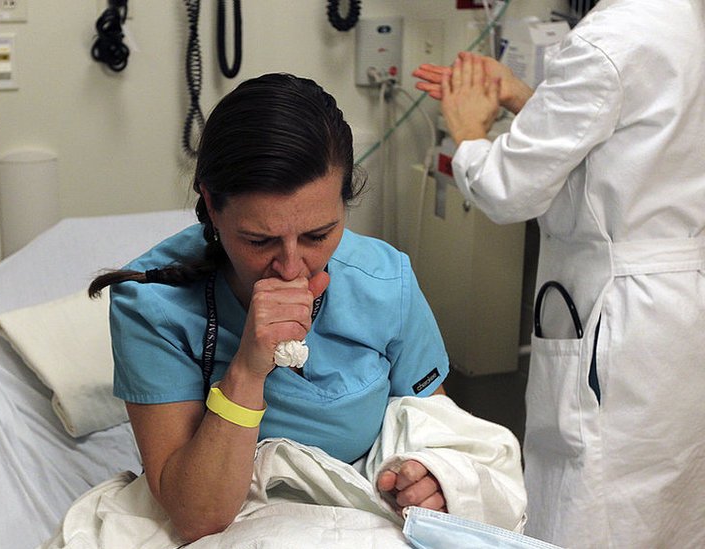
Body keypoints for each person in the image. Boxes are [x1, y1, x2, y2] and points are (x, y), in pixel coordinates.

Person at [87, 73, 455, 542]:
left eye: (318, 235)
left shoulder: (385, 282)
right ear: (212, 207)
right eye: (259, 240)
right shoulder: (151, 306)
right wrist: (247, 369)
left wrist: (431, 479)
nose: (290, 266)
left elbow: (439, 429)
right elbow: (198, 516)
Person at [413, 1, 705, 547]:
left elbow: (507, 190)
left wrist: (468, 129)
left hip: (619, 318)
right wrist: (530, 100)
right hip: (679, 306)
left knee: (591, 496)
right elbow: (623, 143)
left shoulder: (610, 36)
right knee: (670, 499)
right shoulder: (684, 18)